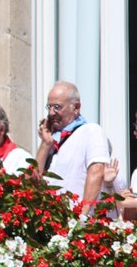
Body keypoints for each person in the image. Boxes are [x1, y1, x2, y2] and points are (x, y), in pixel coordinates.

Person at [35, 81, 109, 215]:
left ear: (76, 107)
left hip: (77, 223)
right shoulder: (52, 140)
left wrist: (82, 216)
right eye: (49, 107)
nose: (51, 113)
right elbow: (32, 182)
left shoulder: (91, 131)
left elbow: (96, 171)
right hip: (51, 224)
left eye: (57, 107)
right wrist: (45, 145)